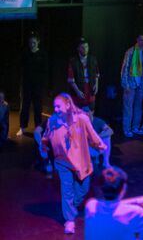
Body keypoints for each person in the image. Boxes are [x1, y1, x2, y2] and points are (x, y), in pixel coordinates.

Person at [42, 93, 107, 234]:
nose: (56, 109)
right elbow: (46, 136)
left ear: (68, 105)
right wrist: (44, 145)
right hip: (62, 162)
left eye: (58, 106)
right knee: (67, 191)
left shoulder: (81, 119)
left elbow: (92, 134)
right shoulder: (52, 121)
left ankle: (70, 208)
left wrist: (100, 145)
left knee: (83, 189)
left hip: (82, 162)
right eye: (54, 107)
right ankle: (69, 221)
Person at [84, 167, 143, 240]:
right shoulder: (133, 212)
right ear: (124, 188)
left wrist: (135, 201)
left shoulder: (91, 205)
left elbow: (110, 207)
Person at [121, 32, 143, 138]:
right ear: (137, 40)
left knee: (138, 107)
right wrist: (125, 84)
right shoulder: (130, 52)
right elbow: (125, 68)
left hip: (142, 84)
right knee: (128, 107)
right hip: (130, 83)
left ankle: (135, 127)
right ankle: (127, 129)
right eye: (141, 40)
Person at [18, 32, 48, 136]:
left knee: (37, 107)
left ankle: (38, 128)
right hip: (27, 85)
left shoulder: (42, 54)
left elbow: (45, 71)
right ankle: (22, 127)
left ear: (38, 42)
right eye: (31, 42)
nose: (32, 44)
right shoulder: (25, 54)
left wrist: (44, 84)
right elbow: (21, 68)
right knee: (25, 107)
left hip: (37, 86)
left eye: (34, 42)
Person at [68, 37, 100, 110]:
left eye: (86, 47)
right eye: (82, 47)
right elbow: (71, 79)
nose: (85, 49)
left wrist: (96, 85)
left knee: (91, 110)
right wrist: (77, 91)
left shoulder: (93, 59)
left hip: (90, 87)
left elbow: (97, 74)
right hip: (79, 89)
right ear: (78, 48)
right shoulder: (73, 61)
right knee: (78, 112)